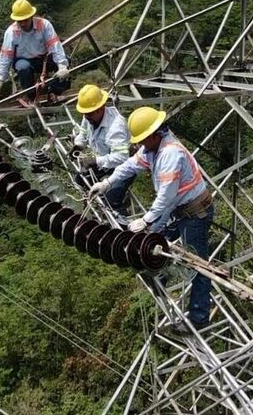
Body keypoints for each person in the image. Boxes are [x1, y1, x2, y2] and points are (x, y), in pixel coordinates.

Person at [89, 106, 214, 335]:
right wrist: (108, 183)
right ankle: (161, 275)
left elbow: (165, 197)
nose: (140, 145)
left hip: (195, 213)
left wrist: (146, 222)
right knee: (152, 245)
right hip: (179, 209)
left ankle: (199, 318)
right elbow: (130, 165)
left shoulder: (170, 154)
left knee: (197, 264)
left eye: (143, 140)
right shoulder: (153, 147)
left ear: (155, 134)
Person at [70, 84, 133, 222]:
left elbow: (122, 157)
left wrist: (95, 161)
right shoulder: (89, 116)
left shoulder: (116, 126)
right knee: (80, 179)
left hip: (124, 166)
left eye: (89, 114)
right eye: (84, 114)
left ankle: (123, 224)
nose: (86, 117)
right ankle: (92, 211)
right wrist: (78, 145)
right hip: (104, 161)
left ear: (100, 108)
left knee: (111, 199)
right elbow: (84, 133)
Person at [0, 0, 70, 100]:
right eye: (20, 21)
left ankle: (55, 92)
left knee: (66, 61)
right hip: (23, 60)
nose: (23, 24)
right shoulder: (11, 32)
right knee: (24, 68)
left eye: (25, 20)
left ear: (31, 16)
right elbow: (5, 57)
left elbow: (55, 45)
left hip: (43, 58)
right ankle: (31, 97)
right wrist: (0, 80)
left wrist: (62, 66)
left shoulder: (44, 25)